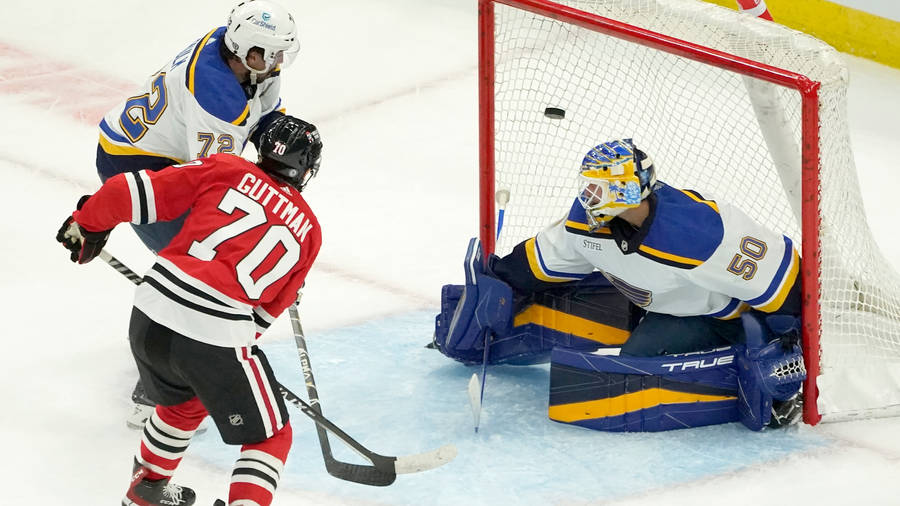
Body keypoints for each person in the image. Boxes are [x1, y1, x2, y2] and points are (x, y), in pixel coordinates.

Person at [435, 138, 805, 430]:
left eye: (599, 187)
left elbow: (783, 282)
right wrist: (499, 284)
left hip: (726, 318)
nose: (587, 196)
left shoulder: (698, 234)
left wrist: (784, 342)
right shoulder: (586, 221)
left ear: (628, 191)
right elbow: (543, 261)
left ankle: (754, 384)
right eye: (588, 185)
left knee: (633, 372)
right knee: (630, 365)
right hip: (664, 305)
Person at [57, 115, 323, 506]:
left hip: (149, 312)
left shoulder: (226, 167)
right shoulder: (310, 232)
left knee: (182, 404)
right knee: (270, 436)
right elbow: (263, 317)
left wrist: (88, 223)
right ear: (307, 168)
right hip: (216, 332)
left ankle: (145, 490)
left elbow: (128, 191)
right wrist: (222, 359)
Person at [95, 0, 301, 428]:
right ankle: (155, 389)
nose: (280, 62)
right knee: (197, 268)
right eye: (273, 53)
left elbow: (263, 119)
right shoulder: (216, 97)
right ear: (247, 52)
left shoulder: (242, 57)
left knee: (214, 264)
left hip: (165, 153)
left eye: (284, 52)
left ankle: (190, 352)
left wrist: (284, 154)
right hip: (134, 164)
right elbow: (216, 184)